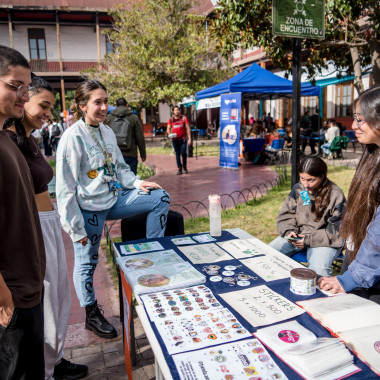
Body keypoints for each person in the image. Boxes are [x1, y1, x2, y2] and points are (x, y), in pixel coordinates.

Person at [56, 80, 170, 339]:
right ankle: (91, 315)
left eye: (105, 100)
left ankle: (154, 259)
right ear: (82, 105)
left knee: (160, 197)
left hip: (114, 199)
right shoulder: (72, 138)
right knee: (87, 262)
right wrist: (75, 228)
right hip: (89, 210)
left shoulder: (106, 132)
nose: (104, 107)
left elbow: (120, 168)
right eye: (98, 102)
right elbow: (64, 190)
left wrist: (139, 183)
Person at [4, 75, 88, 380]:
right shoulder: (9, 139)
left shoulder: (30, 139)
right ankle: (46, 367)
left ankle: (54, 358)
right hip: (33, 226)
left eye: (50, 108)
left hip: (48, 223)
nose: (46, 114)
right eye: (42, 105)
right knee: (46, 302)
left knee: (58, 299)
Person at [0, 45, 46, 379]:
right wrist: (3, 295)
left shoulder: (7, 138)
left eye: (25, 87)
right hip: (10, 296)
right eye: (15, 85)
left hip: (28, 286)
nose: (23, 95)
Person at [318, 86, 380, 303]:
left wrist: (351, 278)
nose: (353, 125)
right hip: (357, 258)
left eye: (360, 119)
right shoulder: (372, 154)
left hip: (371, 274)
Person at [269, 156, 346, 276]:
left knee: (317, 273)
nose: (306, 184)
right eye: (302, 178)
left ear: (322, 176)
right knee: (267, 254)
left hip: (324, 241)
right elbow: (287, 214)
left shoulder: (336, 195)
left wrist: (309, 240)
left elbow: (337, 231)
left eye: (311, 180)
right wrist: (289, 232)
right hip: (298, 236)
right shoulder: (300, 189)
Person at [105, 97, 146, 175]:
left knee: (117, 179)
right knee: (132, 179)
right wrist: (143, 154)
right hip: (131, 154)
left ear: (116, 106)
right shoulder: (133, 117)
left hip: (115, 154)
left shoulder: (109, 117)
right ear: (127, 105)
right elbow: (139, 137)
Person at [167, 105, 191, 175]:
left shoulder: (184, 118)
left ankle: (185, 167)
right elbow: (168, 128)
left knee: (183, 153)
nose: (176, 111)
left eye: (177, 110)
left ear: (179, 110)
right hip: (175, 139)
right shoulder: (171, 119)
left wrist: (189, 139)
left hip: (183, 139)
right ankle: (179, 168)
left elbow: (188, 129)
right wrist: (169, 135)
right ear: (173, 111)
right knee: (177, 154)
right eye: (175, 110)